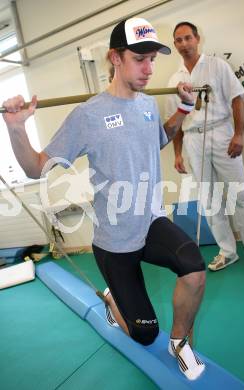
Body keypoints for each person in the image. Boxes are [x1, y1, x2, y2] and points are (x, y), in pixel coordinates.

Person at [2, 18, 206, 380]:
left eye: (153, 59)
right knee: (144, 335)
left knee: (194, 269)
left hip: (152, 222)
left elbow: (159, 137)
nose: (149, 68)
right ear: (115, 57)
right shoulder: (88, 115)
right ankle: (114, 300)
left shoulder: (146, 106)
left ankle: (179, 343)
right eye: (139, 58)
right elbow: (36, 168)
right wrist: (16, 128)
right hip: (114, 243)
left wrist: (186, 108)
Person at [165, 21, 244, 274]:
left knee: (241, 195)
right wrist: (177, 153)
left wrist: (239, 134)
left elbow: (238, 99)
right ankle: (227, 251)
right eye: (178, 40)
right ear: (175, 45)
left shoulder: (217, 66)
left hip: (222, 133)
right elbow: (176, 122)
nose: (183, 44)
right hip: (192, 139)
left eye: (187, 38)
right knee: (209, 200)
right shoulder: (175, 80)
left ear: (197, 38)